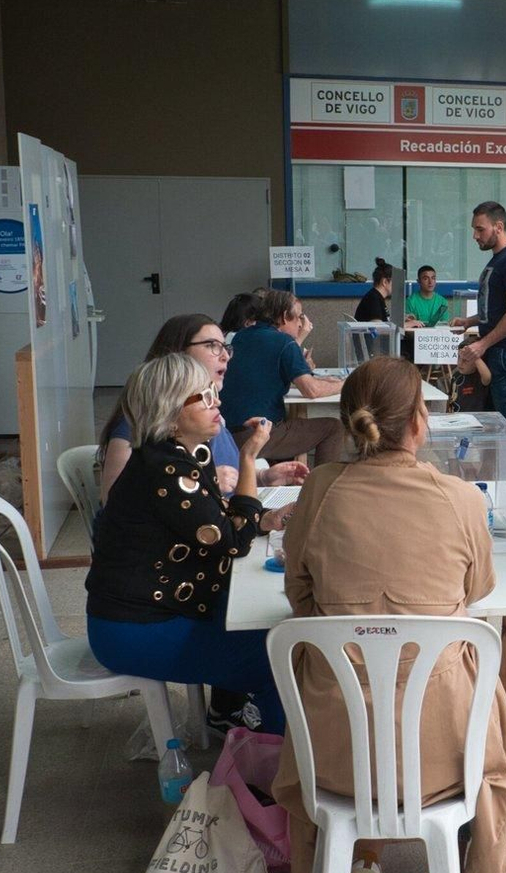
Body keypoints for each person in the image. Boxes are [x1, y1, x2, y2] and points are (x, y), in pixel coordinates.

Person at [275, 356, 506, 873]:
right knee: (484, 692)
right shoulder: (459, 499)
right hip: (442, 757)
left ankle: (358, 864)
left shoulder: (320, 489)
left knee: (355, 692)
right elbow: (477, 590)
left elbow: (297, 592)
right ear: (419, 422)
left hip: (333, 751)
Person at [85, 353, 284, 735]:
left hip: (159, 610)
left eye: (213, 393)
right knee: (282, 656)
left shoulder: (183, 456)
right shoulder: (167, 469)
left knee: (266, 629)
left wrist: (262, 519)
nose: (218, 402)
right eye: (204, 396)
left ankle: (239, 726)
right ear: (170, 410)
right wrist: (248, 459)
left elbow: (218, 522)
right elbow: (233, 540)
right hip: (134, 630)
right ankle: (273, 770)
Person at [97, 313, 307, 508]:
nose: (225, 355)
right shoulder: (138, 422)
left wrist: (262, 477)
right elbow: (114, 501)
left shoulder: (204, 412)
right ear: (176, 354)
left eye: (225, 346)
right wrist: (200, 480)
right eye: (211, 345)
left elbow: (225, 471)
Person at [220, 289, 344, 464]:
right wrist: (344, 384)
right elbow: (311, 390)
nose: (301, 324)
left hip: (228, 434)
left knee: (291, 423)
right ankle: (323, 487)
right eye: (299, 317)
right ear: (285, 316)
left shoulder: (241, 336)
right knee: (333, 428)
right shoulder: (285, 342)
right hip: (257, 433)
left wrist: (324, 381)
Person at [453, 201, 506, 433]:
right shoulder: (500, 259)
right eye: (474, 229)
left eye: (480, 229)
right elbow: (498, 309)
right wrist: (471, 321)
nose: (475, 236)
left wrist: (482, 344)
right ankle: (496, 469)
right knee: (493, 420)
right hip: (497, 352)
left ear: (498, 226)